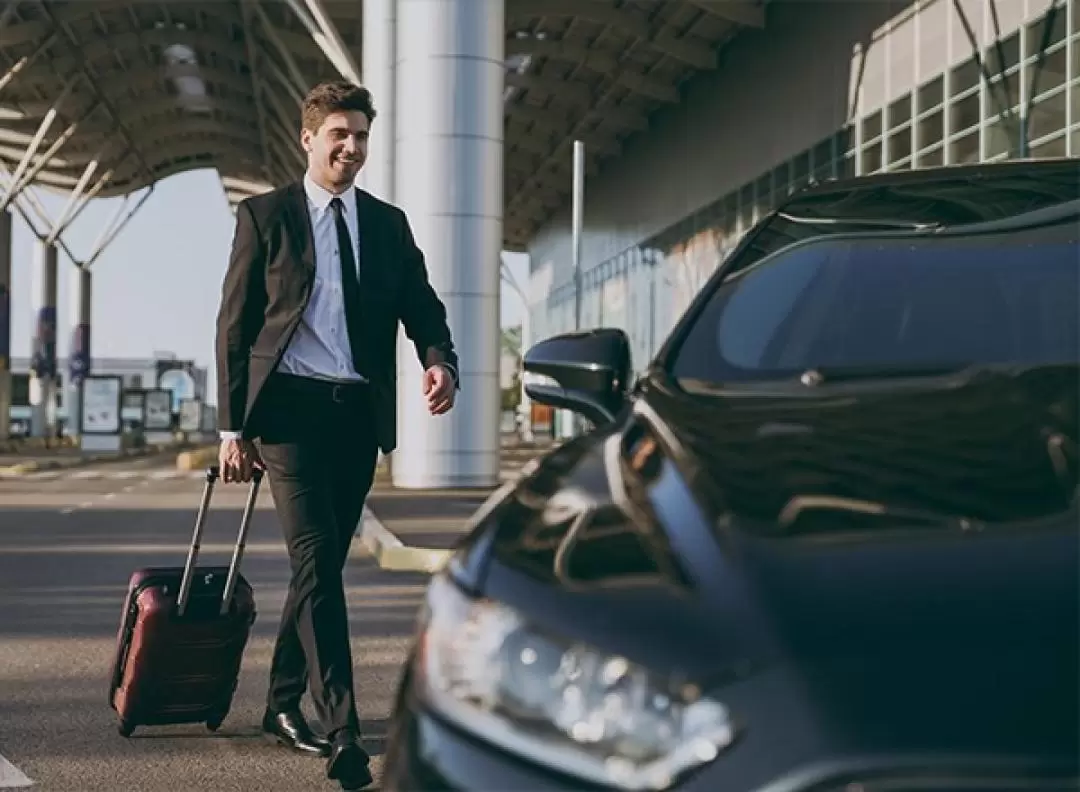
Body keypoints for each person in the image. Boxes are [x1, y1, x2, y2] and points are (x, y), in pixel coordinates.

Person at [213, 80, 458, 791]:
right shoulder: (266, 217)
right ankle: (343, 728)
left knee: (315, 571)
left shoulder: (386, 224)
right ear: (309, 139)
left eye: (360, 137)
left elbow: (422, 303)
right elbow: (234, 326)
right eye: (339, 136)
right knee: (317, 561)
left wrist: (438, 360)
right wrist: (233, 427)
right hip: (286, 417)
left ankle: (281, 704)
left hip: (355, 415)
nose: (351, 149)